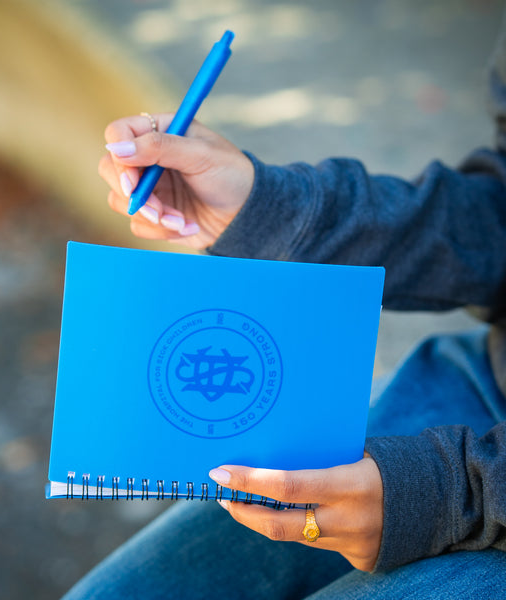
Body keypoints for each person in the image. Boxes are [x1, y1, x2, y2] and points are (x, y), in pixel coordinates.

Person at [63, 23, 506, 600]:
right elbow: (495, 219)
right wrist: (266, 209)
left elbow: (454, 495)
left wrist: (451, 495)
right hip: (483, 387)